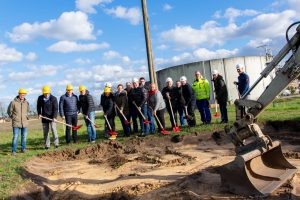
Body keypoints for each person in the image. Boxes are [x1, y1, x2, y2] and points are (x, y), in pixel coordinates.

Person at [7, 88, 30, 155]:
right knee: (15, 137)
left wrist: (26, 116)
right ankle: (14, 151)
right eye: (21, 94)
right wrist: (13, 117)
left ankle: (23, 149)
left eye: (24, 94)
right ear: (19, 94)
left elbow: (28, 111)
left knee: (24, 137)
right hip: (16, 123)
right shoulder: (13, 102)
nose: (22, 96)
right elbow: (9, 111)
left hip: (25, 123)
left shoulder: (26, 103)